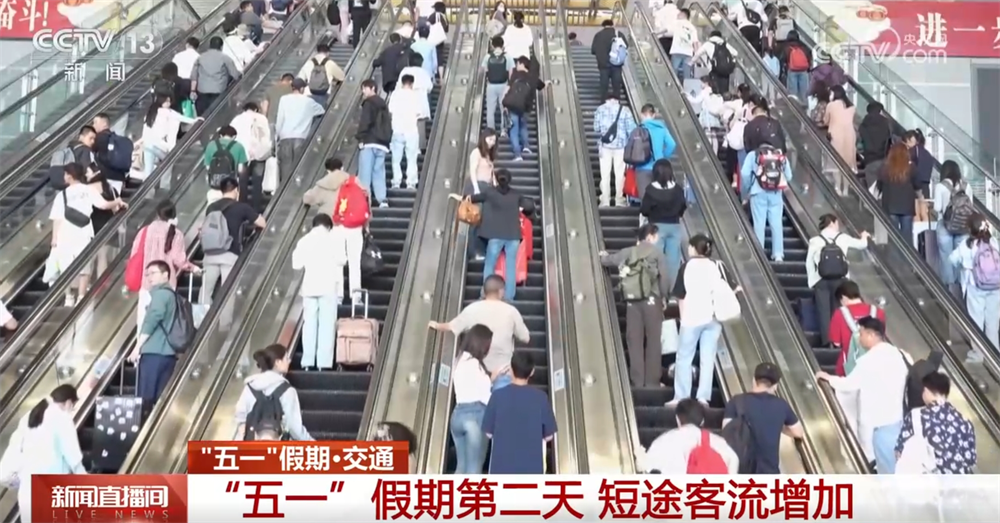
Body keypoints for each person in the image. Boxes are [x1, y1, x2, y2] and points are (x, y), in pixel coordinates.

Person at [816, 316, 911, 473]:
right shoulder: (901, 355)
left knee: (879, 464)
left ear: (871, 335)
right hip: (898, 419)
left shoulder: (868, 360)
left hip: (876, 423)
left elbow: (849, 384)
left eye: (861, 333)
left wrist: (829, 378)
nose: (858, 338)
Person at [670, 234, 740, 404]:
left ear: (694, 248)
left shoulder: (687, 267)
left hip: (692, 318)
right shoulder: (717, 265)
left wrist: (683, 318)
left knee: (684, 358)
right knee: (708, 358)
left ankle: (681, 396)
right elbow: (734, 289)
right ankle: (703, 397)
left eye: (690, 246)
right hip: (713, 319)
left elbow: (680, 296)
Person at [599, 224, 671, 387]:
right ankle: (652, 381)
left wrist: (603, 256)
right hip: (652, 300)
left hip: (632, 301)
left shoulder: (629, 251)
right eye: (656, 236)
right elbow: (664, 277)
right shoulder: (657, 253)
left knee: (634, 340)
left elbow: (608, 260)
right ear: (650, 236)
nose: (657, 239)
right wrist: (664, 297)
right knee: (653, 340)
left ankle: (637, 380)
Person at [428, 274, 530, 389]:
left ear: (484, 291)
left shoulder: (471, 309)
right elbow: (525, 338)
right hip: (503, 372)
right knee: (502, 399)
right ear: (501, 291)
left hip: (477, 373)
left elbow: (451, 326)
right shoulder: (511, 312)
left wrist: (436, 325)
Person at [46, 163, 124, 306]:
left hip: (65, 233)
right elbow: (103, 205)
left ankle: (69, 297)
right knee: (84, 265)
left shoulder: (62, 195)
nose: (64, 176)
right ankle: (81, 296)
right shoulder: (88, 190)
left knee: (65, 266)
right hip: (84, 231)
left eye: (65, 174)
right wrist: (117, 201)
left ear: (70, 176)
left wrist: (54, 238)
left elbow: (57, 219)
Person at [5, 384, 85, 523]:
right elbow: (74, 460)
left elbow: (14, 451)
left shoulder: (28, 417)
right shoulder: (62, 418)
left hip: (27, 493)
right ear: (68, 403)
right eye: (73, 407)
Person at [452, 169, 524, 300]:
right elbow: (528, 206)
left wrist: (457, 197)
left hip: (495, 235)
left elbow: (471, 198)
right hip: (513, 236)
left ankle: (486, 294)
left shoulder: (490, 192)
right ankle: (509, 296)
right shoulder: (516, 194)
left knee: (490, 264)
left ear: (496, 179)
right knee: (511, 265)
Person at [481, 351, 557, 474]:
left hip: (501, 469)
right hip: (531, 470)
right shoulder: (541, 398)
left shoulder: (497, 396)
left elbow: (488, 433)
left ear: (511, 370)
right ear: (532, 372)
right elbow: (549, 436)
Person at [724, 362, 804, 473]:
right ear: (775, 386)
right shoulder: (781, 405)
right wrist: (780, 427)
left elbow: (726, 430)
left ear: (754, 380)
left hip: (740, 471)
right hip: (769, 472)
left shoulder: (736, 401)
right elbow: (798, 432)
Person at [303, 158, 365, 298]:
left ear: (327, 170)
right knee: (355, 262)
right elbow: (366, 198)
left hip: (335, 226)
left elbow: (308, 198)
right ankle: (356, 297)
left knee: (337, 262)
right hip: (354, 226)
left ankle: (338, 296)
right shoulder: (354, 181)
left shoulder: (323, 184)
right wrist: (366, 225)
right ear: (342, 168)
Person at [805, 214, 871, 346]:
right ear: (832, 223)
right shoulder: (843, 238)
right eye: (837, 223)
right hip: (840, 280)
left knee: (823, 312)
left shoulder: (815, 240)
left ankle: (827, 342)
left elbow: (808, 263)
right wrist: (864, 236)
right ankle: (838, 341)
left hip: (821, 280)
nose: (838, 226)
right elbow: (862, 245)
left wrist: (812, 281)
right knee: (838, 311)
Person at [131, 200, 197, 328]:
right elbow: (179, 259)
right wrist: (192, 267)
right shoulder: (176, 233)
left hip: (147, 280)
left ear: (157, 214)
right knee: (164, 320)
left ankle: (142, 340)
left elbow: (135, 252)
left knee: (143, 319)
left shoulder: (145, 231)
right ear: (174, 215)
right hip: (167, 283)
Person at [292, 214, 346, 371]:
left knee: (309, 325)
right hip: (328, 286)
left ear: (313, 225)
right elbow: (342, 260)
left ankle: (307, 362)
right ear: (329, 226)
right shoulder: (333, 239)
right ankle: (323, 363)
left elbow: (296, 264)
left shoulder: (304, 240)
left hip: (309, 287)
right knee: (327, 325)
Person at [895, 372, 977, 474]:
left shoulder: (916, 415)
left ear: (927, 391)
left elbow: (900, 451)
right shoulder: (965, 422)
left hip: (928, 479)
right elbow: (970, 460)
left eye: (924, 390)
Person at [200, 178, 266, 305]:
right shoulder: (242, 207)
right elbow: (262, 223)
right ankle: (225, 318)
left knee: (205, 291)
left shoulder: (211, 207)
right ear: (236, 190)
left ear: (222, 191)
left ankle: (202, 315)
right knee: (227, 293)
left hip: (210, 254)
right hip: (229, 253)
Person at [126, 260, 180, 404]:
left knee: (145, 398)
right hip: (168, 353)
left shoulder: (161, 295)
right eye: (147, 274)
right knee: (159, 399)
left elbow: (152, 321)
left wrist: (137, 348)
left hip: (154, 352)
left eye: (153, 273)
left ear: (165, 275)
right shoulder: (171, 295)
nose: (149, 277)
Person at [740, 112, 792, 262]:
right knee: (776, 224)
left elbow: (744, 174)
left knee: (759, 223)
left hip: (758, 192)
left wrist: (748, 189)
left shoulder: (754, 154)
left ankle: (760, 253)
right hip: (776, 193)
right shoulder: (779, 155)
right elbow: (789, 176)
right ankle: (778, 254)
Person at [235, 344, 313, 440]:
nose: (289, 361)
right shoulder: (287, 390)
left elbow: (240, 414)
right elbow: (294, 427)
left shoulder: (250, 386)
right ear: (277, 362)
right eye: (286, 358)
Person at [640, 398, 739, 473]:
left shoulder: (662, 441)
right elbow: (734, 461)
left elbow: (647, 468)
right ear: (702, 421)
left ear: (677, 419)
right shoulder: (719, 442)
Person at [450, 324, 499, 474]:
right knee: (474, 470)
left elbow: (470, 387)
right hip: (475, 417)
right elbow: (484, 397)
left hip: (458, 415)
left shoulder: (459, 360)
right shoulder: (476, 364)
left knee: (461, 467)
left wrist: (489, 379)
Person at [949, 215, 1000, 352]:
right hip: (995, 287)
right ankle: (995, 354)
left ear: (969, 229)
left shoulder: (966, 244)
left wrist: (964, 266)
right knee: (992, 324)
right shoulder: (993, 242)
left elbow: (952, 259)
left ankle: (978, 354)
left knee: (976, 323)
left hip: (975, 287)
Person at [639, 160, 686, 284]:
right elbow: (683, 206)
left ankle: (657, 287)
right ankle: (671, 287)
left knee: (656, 258)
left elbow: (644, 210)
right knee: (673, 260)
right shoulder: (677, 189)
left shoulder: (651, 190)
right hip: (674, 226)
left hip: (656, 227)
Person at [828, 280, 887, 376]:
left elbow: (836, 343)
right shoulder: (878, 312)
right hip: (876, 366)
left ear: (843, 297)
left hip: (849, 367)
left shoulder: (839, 314)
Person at [275, 78, 326, 180]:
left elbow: (280, 119)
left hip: (285, 137)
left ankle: (284, 188)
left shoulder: (284, 99)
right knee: (298, 169)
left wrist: (277, 136)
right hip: (301, 137)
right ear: (302, 88)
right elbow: (322, 110)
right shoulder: (308, 101)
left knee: (285, 168)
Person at [593, 92, 637, 207]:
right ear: (617, 100)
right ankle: (619, 199)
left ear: (606, 99)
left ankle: (605, 200)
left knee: (605, 174)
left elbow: (596, 128)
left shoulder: (600, 110)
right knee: (620, 174)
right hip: (621, 147)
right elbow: (632, 129)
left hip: (604, 147)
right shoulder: (625, 110)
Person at [141, 95, 201, 180]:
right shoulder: (167, 112)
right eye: (166, 101)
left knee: (148, 171)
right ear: (161, 102)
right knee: (169, 163)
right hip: (159, 145)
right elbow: (181, 117)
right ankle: (164, 185)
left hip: (148, 144)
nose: (169, 103)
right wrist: (194, 120)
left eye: (169, 101)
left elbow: (146, 130)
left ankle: (147, 187)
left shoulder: (150, 112)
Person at [504, 56, 549, 162]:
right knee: (523, 126)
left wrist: (504, 104)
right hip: (526, 108)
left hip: (513, 105)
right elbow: (542, 86)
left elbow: (507, 89)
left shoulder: (516, 75)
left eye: (517, 64)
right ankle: (526, 146)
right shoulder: (532, 77)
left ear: (521, 64)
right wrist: (547, 83)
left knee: (514, 129)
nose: (516, 66)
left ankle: (517, 154)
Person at [230, 102, 272, 211]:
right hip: (259, 154)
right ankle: (256, 209)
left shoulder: (237, 119)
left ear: (244, 109)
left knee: (242, 182)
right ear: (256, 109)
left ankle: (242, 207)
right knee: (257, 182)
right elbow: (267, 137)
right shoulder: (262, 118)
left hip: (242, 155)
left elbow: (231, 137)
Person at [356, 79, 392, 207]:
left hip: (369, 142)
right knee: (379, 172)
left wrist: (361, 137)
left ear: (372, 88)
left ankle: (364, 200)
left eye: (365, 88)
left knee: (365, 172)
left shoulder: (369, 103)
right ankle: (382, 199)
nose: (363, 91)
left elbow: (365, 121)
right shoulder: (383, 104)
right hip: (382, 144)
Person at [934, 161, 969, 289]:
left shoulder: (940, 186)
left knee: (946, 258)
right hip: (963, 226)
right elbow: (971, 206)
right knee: (961, 257)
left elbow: (937, 208)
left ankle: (949, 290)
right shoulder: (966, 186)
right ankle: (961, 288)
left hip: (945, 226)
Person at [388, 74, 428, 190]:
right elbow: (420, 113)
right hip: (411, 130)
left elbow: (390, 109)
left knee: (396, 159)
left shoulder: (395, 94)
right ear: (412, 83)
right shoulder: (416, 95)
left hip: (397, 130)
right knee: (412, 158)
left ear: (402, 82)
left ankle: (396, 182)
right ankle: (411, 183)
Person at [876, 143, 919, 246]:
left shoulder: (884, 168)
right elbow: (917, 186)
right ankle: (908, 256)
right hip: (907, 207)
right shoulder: (911, 167)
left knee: (892, 238)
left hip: (890, 207)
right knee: (907, 238)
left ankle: (893, 255)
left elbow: (879, 186)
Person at [633, 104, 677, 199]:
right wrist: (663, 156)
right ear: (654, 115)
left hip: (642, 167)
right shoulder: (662, 129)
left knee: (645, 198)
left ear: (641, 115)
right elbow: (672, 144)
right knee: (659, 197)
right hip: (659, 167)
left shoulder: (638, 129)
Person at [190, 36, 241, 115]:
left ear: (210, 45)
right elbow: (235, 75)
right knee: (218, 116)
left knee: (203, 116)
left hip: (202, 93)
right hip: (218, 93)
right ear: (221, 47)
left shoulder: (200, 58)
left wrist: (193, 91)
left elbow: (194, 76)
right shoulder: (225, 58)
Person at [203, 125, 249, 199]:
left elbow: (208, 167)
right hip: (230, 188)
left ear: (221, 135)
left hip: (214, 186)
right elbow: (240, 169)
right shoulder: (239, 146)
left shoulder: (210, 145)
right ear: (234, 136)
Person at [482, 36, 515, 133]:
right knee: (503, 108)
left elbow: (485, 70)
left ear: (492, 45)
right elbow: (511, 73)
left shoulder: (487, 57)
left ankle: (491, 131)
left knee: (490, 110)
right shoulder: (507, 57)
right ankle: (503, 131)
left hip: (491, 85)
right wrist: (510, 85)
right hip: (503, 85)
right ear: (502, 45)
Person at [91, 113, 130, 192]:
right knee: (115, 198)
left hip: (105, 177)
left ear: (104, 124)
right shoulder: (116, 139)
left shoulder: (99, 138)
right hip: (119, 177)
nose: (93, 125)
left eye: (95, 122)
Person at [824, 85, 857, 177]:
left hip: (836, 135)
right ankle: (847, 185)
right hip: (850, 135)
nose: (830, 95)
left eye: (831, 93)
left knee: (836, 164)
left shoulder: (831, 105)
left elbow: (826, 121)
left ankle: (838, 185)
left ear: (835, 94)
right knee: (847, 164)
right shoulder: (852, 107)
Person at [692, 30, 738, 94]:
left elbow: (697, 54)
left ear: (711, 36)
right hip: (725, 71)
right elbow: (735, 53)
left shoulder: (708, 44)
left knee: (715, 89)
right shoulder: (725, 44)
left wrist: (691, 62)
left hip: (714, 70)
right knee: (724, 91)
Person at [858, 101, 892, 188]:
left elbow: (860, 142)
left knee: (872, 189)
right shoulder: (886, 123)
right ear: (880, 111)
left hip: (869, 160)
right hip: (884, 159)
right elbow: (890, 140)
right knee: (884, 188)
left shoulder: (863, 125)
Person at [904, 129, 935, 222]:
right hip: (926, 186)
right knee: (924, 213)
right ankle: (926, 230)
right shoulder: (928, 155)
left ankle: (917, 231)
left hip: (914, 186)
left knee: (916, 214)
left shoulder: (912, 151)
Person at [590, 19, 626, 100]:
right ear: (612, 25)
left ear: (603, 26)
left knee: (604, 85)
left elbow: (593, 50)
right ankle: (617, 102)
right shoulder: (619, 34)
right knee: (616, 85)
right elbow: (625, 46)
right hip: (616, 64)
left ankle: (603, 101)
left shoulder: (598, 35)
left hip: (603, 64)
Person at [780, 30, 812, 104]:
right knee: (804, 92)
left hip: (792, 71)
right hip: (803, 71)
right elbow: (809, 55)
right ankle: (804, 107)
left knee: (793, 93)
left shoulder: (787, 47)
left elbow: (782, 59)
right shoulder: (803, 47)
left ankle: (794, 107)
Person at [669, 11, 698, 82]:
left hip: (677, 51)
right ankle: (687, 87)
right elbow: (695, 42)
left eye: (679, 14)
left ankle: (674, 86)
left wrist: (656, 33)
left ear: (683, 15)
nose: (677, 16)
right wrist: (696, 55)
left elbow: (667, 30)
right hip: (688, 53)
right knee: (687, 73)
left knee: (673, 72)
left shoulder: (677, 22)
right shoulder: (692, 27)